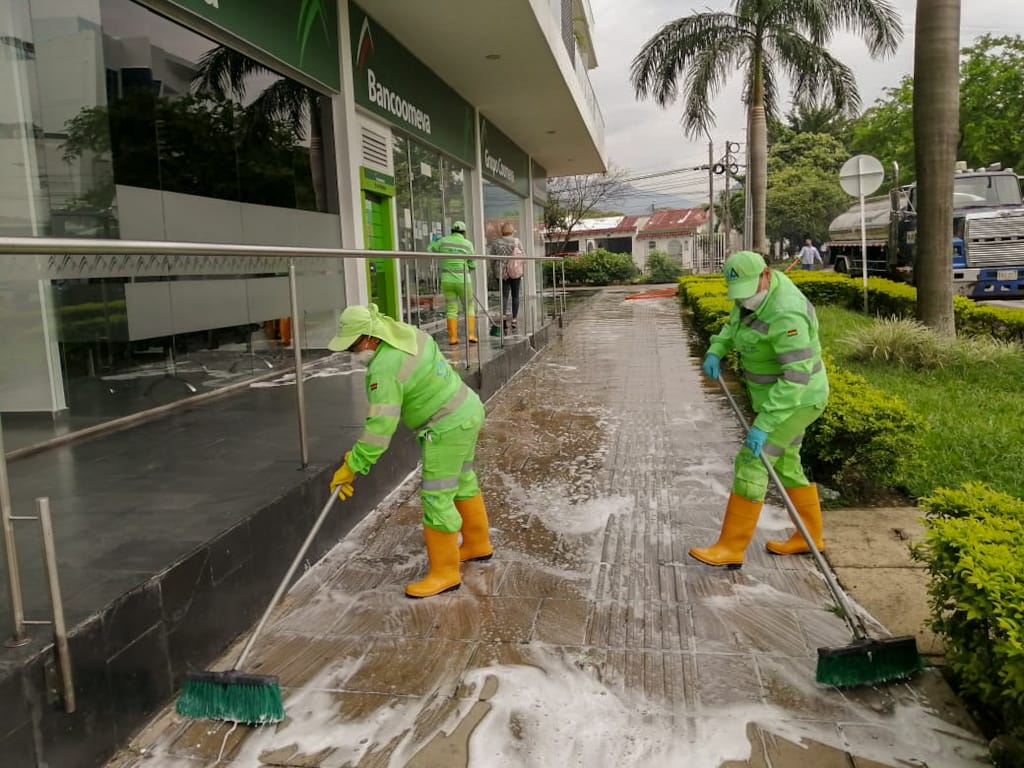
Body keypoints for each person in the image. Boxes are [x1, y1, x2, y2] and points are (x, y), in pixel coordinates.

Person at [326, 303, 493, 597]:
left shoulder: (383, 370)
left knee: (436, 495)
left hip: (445, 427)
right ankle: (477, 544)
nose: (353, 356)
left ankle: (445, 573)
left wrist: (352, 465)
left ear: (368, 339)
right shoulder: (406, 333)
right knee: (463, 480)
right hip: (467, 409)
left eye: (352, 349)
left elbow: (379, 430)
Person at [690, 250, 829, 568]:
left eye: (748, 293)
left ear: (766, 275)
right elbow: (734, 323)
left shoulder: (786, 313)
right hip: (774, 401)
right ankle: (809, 538)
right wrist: (717, 348)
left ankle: (731, 547)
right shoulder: (750, 297)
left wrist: (764, 423)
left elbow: (795, 378)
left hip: (798, 400)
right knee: (786, 465)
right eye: (737, 295)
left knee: (753, 460)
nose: (743, 300)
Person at [428, 221, 478, 344]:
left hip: (447, 280)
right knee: (469, 306)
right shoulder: (468, 244)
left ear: (452, 231)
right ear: (464, 232)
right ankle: (471, 335)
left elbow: (430, 249)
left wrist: (435, 241)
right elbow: (472, 264)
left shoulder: (443, 241)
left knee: (451, 308)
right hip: (463, 280)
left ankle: (453, 338)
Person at [488, 222, 526, 333]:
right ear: (512, 231)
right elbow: (523, 255)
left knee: (504, 296)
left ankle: (503, 320)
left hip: (501, 272)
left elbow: (492, 259)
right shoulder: (516, 242)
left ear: (502, 231)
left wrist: (494, 270)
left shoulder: (496, 243)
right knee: (515, 296)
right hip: (515, 271)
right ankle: (514, 320)